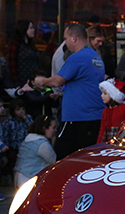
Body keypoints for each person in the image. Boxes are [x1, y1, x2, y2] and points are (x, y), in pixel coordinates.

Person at [34, 23, 106, 159]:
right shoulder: (95, 57)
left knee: (63, 158)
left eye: (66, 38)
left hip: (77, 117)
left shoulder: (77, 57)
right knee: (88, 159)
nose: (65, 42)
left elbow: (57, 81)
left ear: (74, 38)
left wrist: (41, 81)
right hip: (94, 116)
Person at [13, 115, 57, 187]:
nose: (55, 131)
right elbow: (54, 161)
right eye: (53, 128)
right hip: (29, 179)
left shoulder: (28, 139)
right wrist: (54, 141)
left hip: (20, 177)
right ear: (44, 128)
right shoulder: (42, 144)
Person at [1, 98, 33, 179]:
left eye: (23, 109)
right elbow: (5, 135)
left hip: (26, 146)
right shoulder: (9, 122)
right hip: (13, 147)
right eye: (18, 110)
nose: (21, 112)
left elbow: (32, 127)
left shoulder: (27, 118)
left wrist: (26, 118)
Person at [97, 79, 125, 143]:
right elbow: (102, 130)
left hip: (120, 141)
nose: (102, 95)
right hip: (108, 141)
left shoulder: (124, 108)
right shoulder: (105, 111)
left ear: (113, 95)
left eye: (105, 93)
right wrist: (98, 144)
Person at [8, 20, 40, 86]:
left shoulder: (30, 45)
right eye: (31, 28)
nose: (33, 30)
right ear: (24, 29)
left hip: (34, 80)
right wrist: (16, 82)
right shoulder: (15, 44)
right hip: (21, 81)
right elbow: (11, 64)